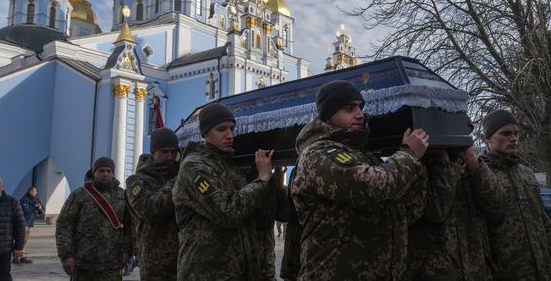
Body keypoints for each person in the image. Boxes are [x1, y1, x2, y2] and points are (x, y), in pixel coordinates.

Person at [291, 80, 429, 280]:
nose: (360, 114)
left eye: (360, 107)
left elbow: (408, 211)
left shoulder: (364, 155)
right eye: (350, 108)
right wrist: (408, 155)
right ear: (329, 115)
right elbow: (373, 188)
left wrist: (423, 163)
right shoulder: (318, 154)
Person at [172, 102, 275, 280]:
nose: (230, 135)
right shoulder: (194, 166)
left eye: (232, 129)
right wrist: (262, 179)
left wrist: (277, 183)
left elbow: (267, 215)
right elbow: (228, 212)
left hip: (241, 272)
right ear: (205, 133)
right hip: (206, 273)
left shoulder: (234, 166)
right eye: (222, 129)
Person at [406, 116, 507, 280]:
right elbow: (435, 213)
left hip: (477, 270)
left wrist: (471, 160)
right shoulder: (418, 166)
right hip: (438, 273)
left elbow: (498, 208)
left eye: (466, 134)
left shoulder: (471, 167)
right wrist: (444, 164)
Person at [477, 109, 551, 280]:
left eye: (516, 133)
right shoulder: (478, 174)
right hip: (506, 272)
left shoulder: (526, 173)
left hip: (542, 271)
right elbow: (477, 233)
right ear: (488, 137)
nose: (514, 138)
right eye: (506, 133)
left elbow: (543, 221)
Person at [55, 157, 133, 281]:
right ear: (94, 172)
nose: (105, 174)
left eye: (109, 171)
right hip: (82, 264)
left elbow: (129, 226)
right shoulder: (79, 195)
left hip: (111, 264)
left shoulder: (122, 195)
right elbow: (64, 225)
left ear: (113, 173)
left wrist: (127, 251)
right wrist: (66, 255)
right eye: (101, 171)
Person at [125, 127, 180, 280]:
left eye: (174, 152)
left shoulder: (179, 172)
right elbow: (151, 210)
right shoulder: (136, 181)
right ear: (153, 152)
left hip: (185, 259)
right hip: (155, 264)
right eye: (164, 152)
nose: (170, 157)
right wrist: (179, 180)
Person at [17, 186, 44, 264]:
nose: (36, 193)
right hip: (23, 223)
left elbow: (39, 212)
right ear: (30, 191)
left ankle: (22, 256)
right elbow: (26, 211)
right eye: (34, 191)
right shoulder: (24, 200)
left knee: (24, 241)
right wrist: (34, 207)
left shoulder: (34, 200)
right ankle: (16, 257)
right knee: (21, 241)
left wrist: (39, 209)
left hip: (29, 223)